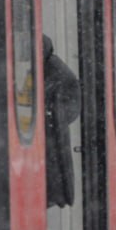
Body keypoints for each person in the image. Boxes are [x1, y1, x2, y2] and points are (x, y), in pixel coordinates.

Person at [43, 35, 81, 208]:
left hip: (51, 138)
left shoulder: (54, 72)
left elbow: (71, 107)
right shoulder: (51, 67)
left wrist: (51, 114)